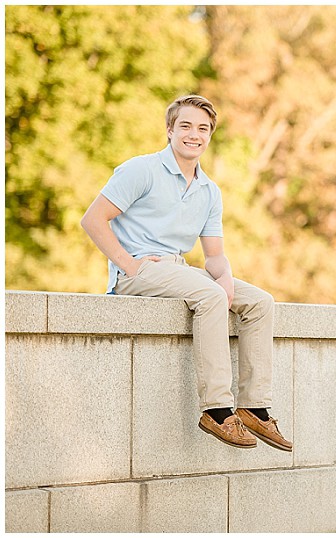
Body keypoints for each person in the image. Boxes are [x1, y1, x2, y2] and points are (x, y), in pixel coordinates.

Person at [81, 94, 292, 452]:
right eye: (186, 126)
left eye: (203, 128)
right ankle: (218, 410)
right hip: (139, 271)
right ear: (170, 130)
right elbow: (93, 219)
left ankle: (254, 405)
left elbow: (214, 256)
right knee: (208, 295)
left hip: (180, 271)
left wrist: (224, 278)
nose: (194, 134)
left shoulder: (209, 191)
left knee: (260, 302)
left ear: (210, 136)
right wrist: (129, 264)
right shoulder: (141, 170)